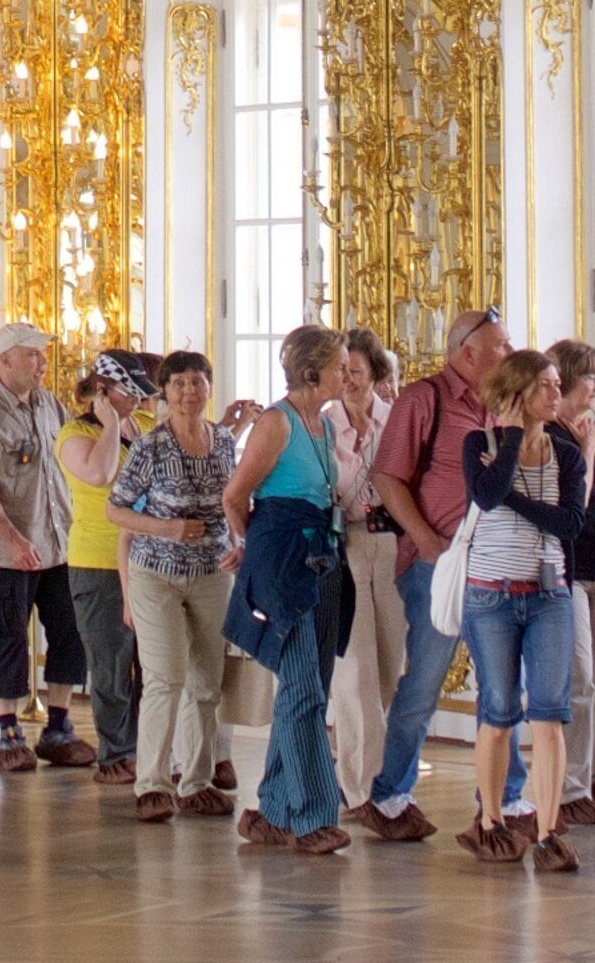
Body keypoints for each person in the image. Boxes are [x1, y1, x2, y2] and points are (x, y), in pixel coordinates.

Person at [359, 306, 510, 839]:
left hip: (492, 566)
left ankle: (504, 802)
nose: (509, 355)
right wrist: (426, 542)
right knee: (423, 682)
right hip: (436, 566)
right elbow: (387, 476)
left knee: (500, 684)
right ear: (467, 352)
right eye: (501, 348)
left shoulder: (500, 409)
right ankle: (390, 794)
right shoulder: (425, 399)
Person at [455, 348, 594, 866]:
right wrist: (512, 440)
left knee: (549, 715)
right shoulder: (482, 443)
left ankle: (547, 828)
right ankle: (491, 820)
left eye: (557, 384)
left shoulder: (569, 454)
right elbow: (486, 496)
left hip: (550, 595)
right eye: (545, 386)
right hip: (490, 594)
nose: (556, 394)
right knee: (498, 710)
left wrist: (515, 499)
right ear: (516, 393)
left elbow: (569, 524)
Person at [222, 325, 353, 854]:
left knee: (308, 689)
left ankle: (270, 813)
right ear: (311, 371)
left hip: (322, 558)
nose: (347, 374)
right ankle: (315, 815)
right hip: (284, 561)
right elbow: (235, 496)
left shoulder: (321, 423)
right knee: (303, 690)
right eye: (341, 366)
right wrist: (256, 550)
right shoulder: (275, 424)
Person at [0, 322, 93, 772]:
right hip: (3, 551)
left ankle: (58, 725)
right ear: (6, 360)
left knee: (70, 633)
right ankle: (9, 732)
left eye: (43, 355)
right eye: (33, 355)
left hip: (58, 544)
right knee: (7, 639)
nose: (42, 364)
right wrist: (13, 540)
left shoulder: (50, 405)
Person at [109, 350, 238, 823]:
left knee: (207, 682)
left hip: (211, 573)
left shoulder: (224, 441)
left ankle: (198, 782)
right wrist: (166, 529)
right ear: (164, 392)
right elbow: (115, 509)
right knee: (165, 678)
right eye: (179, 383)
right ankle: (152, 784)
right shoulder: (151, 445)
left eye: (197, 382)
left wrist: (238, 543)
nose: (189, 392)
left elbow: (234, 501)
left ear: (209, 387)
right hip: (156, 572)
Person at [56, 351, 150, 789]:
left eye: (137, 392)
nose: (134, 400)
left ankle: (149, 750)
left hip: (148, 560)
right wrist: (111, 424)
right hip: (98, 561)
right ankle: (115, 752)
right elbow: (100, 473)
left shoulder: (146, 428)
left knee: (152, 665)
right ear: (101, 391)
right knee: (112, 664)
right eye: (125, 392)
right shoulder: (74, 435)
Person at [546, 339, 595, 835]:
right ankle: (570, 785)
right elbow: (567, 496)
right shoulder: (551, 436)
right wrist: (586, 452)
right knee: (579, 678)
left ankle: (592, 776)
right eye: (591, 377)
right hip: (567, 564)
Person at [324, 328, 402, 807]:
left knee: (389, 669)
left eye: (356, 370)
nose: (348, 380)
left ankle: (359, 764)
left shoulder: (397, 422)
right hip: (342, 546)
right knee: (354, 674)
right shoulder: (323, 424)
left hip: (392, 544)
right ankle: (362, 791)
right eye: (341, 371)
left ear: (376, 374)